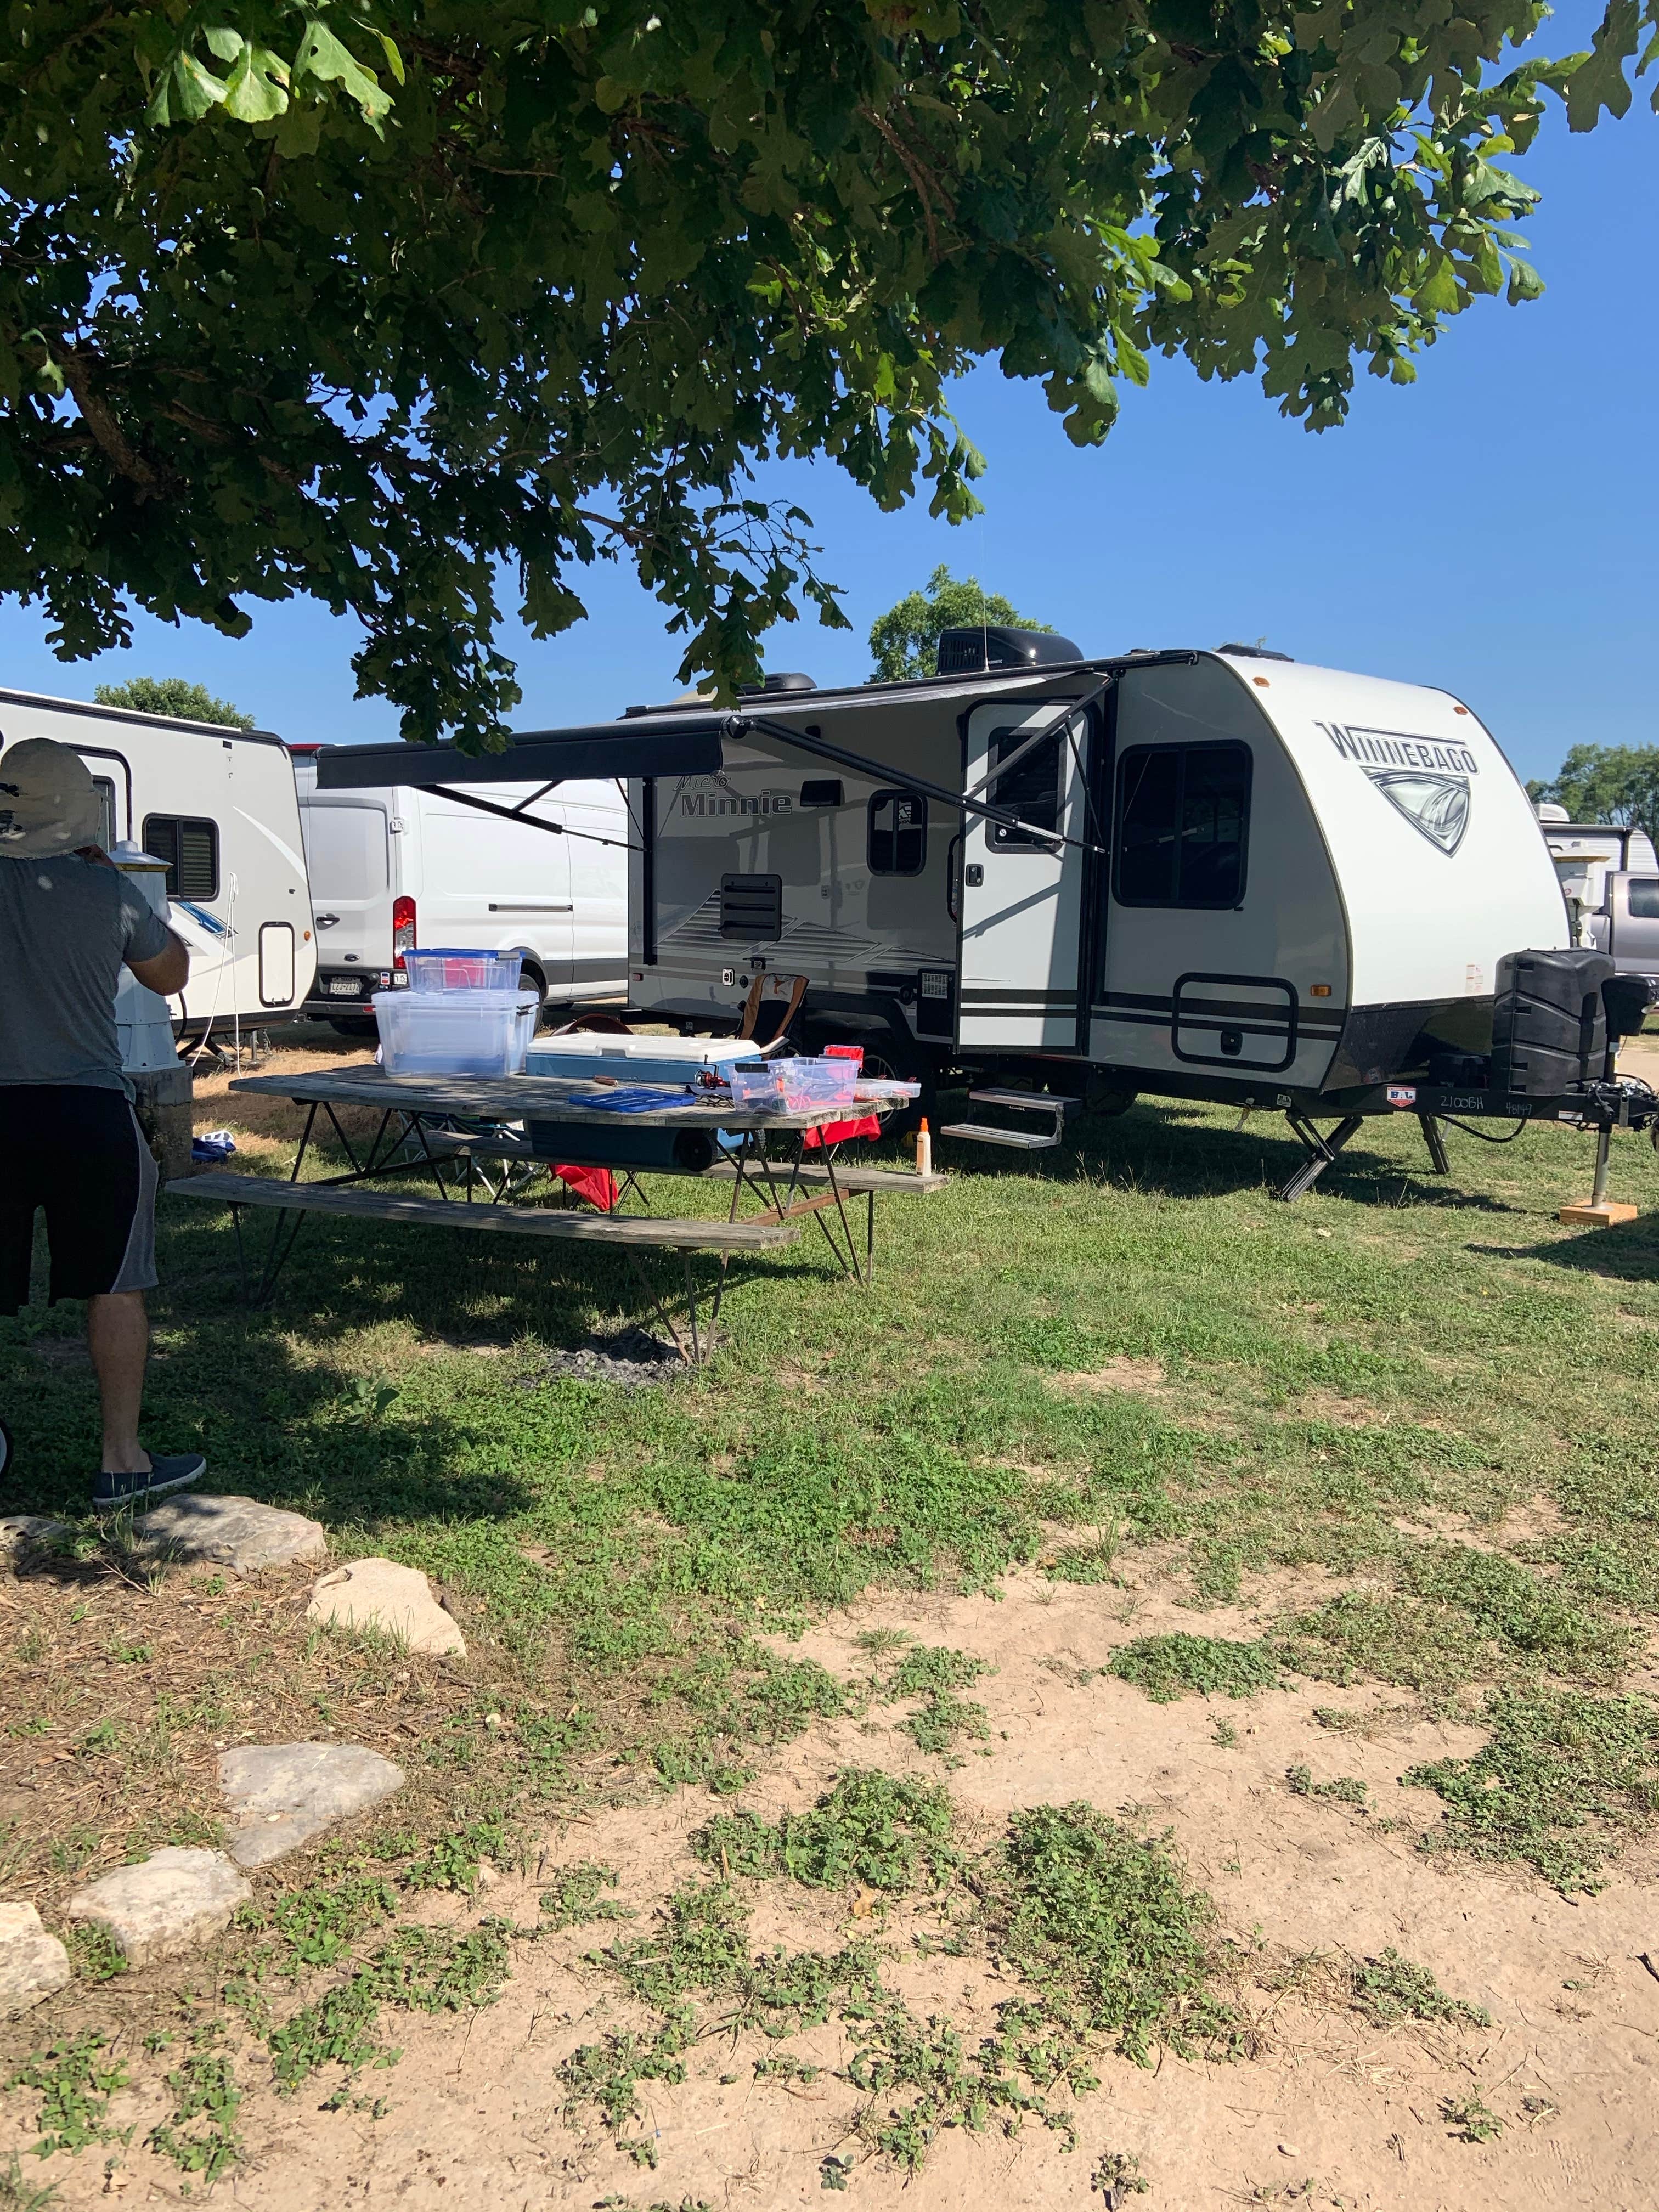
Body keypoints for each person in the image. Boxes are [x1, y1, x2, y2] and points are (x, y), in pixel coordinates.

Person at [0, 736, 207, 1508]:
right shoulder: (106, 890)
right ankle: (121, 1459)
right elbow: (171, 973)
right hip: (86, 1108)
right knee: (116, 1286)